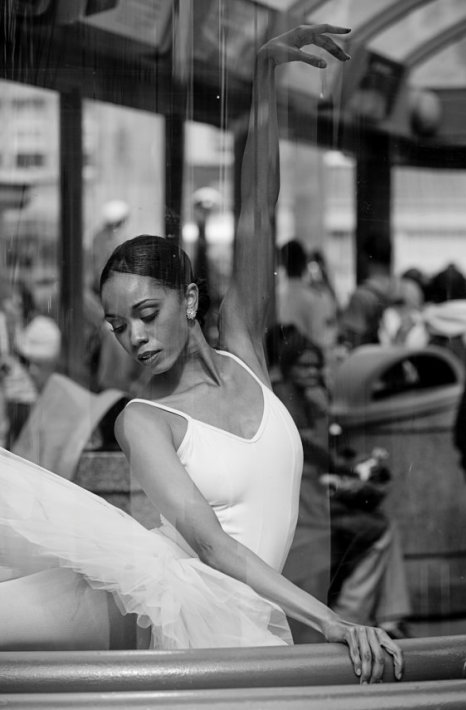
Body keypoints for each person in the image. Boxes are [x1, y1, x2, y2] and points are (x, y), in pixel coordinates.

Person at [0, 24, 402, 683]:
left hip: (231, 614)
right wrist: (331, 622)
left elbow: (258, 210)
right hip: (153, 597)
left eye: (146, 314)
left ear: (189, 299)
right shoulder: (143, 419)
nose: (135, 338)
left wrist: (264, 83)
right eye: (118, 326)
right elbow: (211, 547)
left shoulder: (244, 350)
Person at [268, 324, 411, 641]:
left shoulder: (313, 399)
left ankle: (386, 617)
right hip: (306, 506)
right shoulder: (279, 399)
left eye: (316, 366)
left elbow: (328, 447)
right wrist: (347, 468)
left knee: (381, 526)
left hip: (319, 495)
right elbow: (313, 451)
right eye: (304, 366)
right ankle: (354, 614)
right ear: (288, 366)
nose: (312, 372)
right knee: (377, 530)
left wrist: (351, 465)